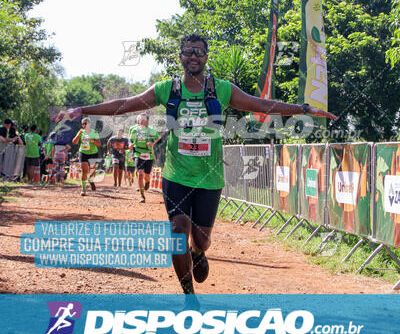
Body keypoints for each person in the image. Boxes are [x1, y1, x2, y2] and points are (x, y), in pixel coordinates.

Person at [53, 33, 337, 294]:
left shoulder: (221, 89)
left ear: (206, 57)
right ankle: (189, 296)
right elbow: (126, 104)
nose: (193, 56)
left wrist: (303, 109)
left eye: (199, 52)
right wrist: (81, 110)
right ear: (180, 57)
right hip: (176, 176)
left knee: (200, 240)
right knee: (178, 231)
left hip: (209, 178)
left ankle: (199, 253)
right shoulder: (167, 89)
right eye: (188, 51)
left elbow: (262, 106)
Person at [129, 114, 159, 203]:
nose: (141, 121)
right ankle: (142, 196)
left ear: (147, 121)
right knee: (140, 173)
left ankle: (147, 181)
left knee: (146, 176)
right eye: (139, 119)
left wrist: (152, 143)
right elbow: (130, 140)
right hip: (138, 153)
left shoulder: (152, 131)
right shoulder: (134, 130)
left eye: (143, 119)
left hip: (149, 155)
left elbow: (158, 140)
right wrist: (130, 144)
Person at [72, 118, 100, 196]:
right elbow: (74, 142)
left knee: (92, 170)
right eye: (82, 124)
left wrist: (91, 140)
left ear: (89, 124)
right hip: (83, 152)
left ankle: (91, 181)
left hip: (93, 153)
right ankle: (83, 189)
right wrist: (78, 134)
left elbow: (98, 144)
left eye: (85, 123)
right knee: (84, 171)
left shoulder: (94, 132)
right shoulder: (81, 132)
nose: (83, 125)